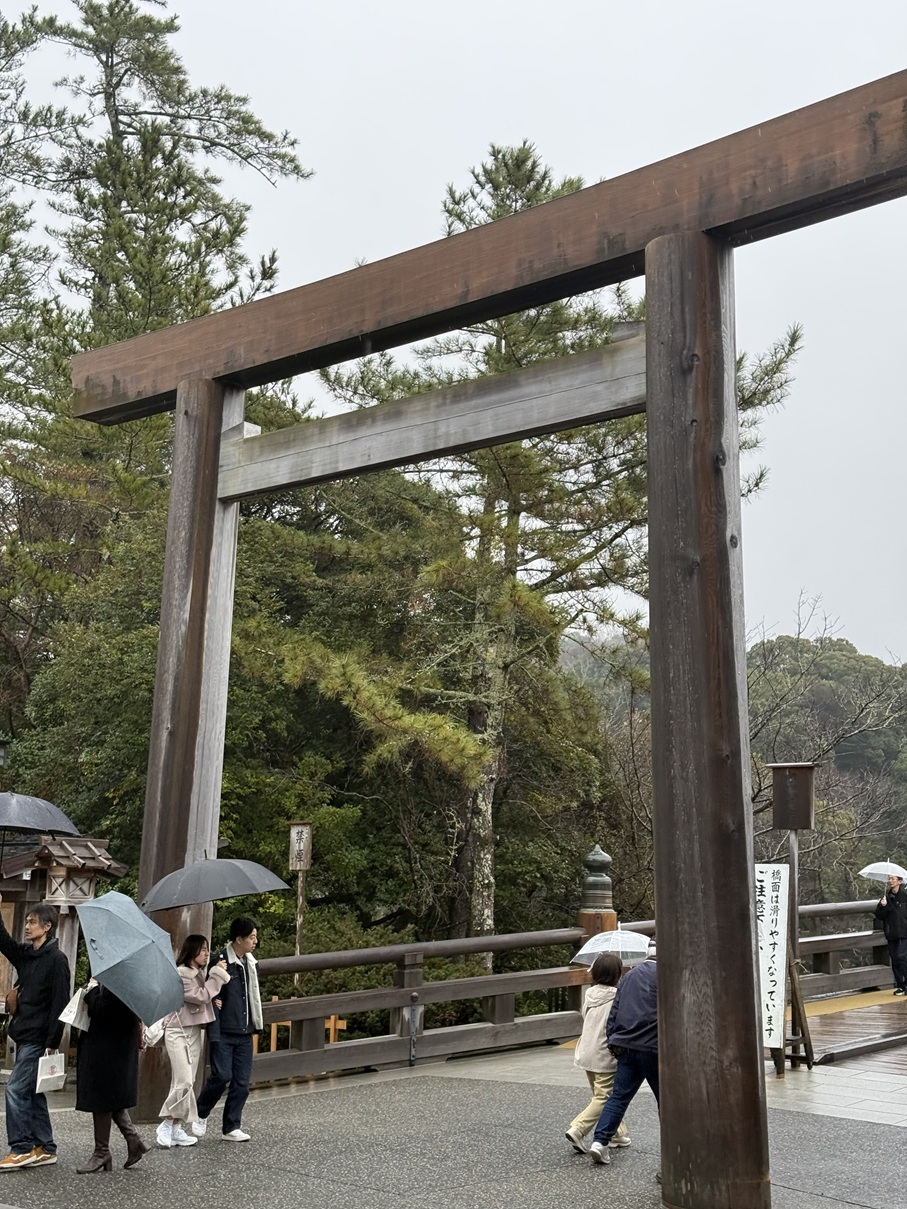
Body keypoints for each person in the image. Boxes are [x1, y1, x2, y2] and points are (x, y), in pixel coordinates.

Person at [0, 894, 71, 1170]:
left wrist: (53, 1040)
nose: (27, 926)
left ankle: (22, 1147)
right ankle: (45, 1147)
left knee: (16, 1089)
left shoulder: (57, 960)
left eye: (33, 922)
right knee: (33, 1092)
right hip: (24, 1032)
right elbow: (4, 942)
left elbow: (60, 1002)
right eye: (27, 921)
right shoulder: (27, 955)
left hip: (39, 1037)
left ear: (47, 926)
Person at [589, 939, 659, 1166]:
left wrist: (613, 1041)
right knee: (665, 1100)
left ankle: (600, 1142)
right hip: (653, 1046)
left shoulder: (629, 976)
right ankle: (671, 1149)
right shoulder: (666, 976)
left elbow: (615, 1011)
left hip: (626, 1044)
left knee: (619, 1096)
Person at [157, 934, 230, 1148]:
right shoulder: (182, 974)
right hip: (177, 1031)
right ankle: (166, 1123)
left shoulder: (198, 974)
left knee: (186, 1081)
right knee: (184, 1081)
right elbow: (201, 996)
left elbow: (204, 999)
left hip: (194, 1030)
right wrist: (217, 975)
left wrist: (212, 1000)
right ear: (192, 951)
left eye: (207, 949)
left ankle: (176, 1127)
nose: (207, 954)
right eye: (203, 949)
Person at [195, 917, 262, 1142]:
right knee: (222, 1075)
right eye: (251, 937)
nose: (255, 941)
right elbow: (210, 995)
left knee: (242, 1082)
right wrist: (216, 1010)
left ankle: (231, 1126)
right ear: (238, 939)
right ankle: (201, 1112)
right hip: (223, 1030)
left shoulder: (251, 963)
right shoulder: (220, 961)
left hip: (245, 1030)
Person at [74, 982, 148, 1172]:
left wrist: (90, 992)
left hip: (110, 1045)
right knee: (110, 1095)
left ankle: (102, 1152)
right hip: (115, 1044)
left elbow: (101, 1009)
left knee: (102, 1096)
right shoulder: (127, 978)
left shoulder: (119, 982)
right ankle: (133, 1140)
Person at [565, 952, 630, 1154]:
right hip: (604, 1055)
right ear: (617, 974)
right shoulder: (617, 997)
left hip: (586, 1051)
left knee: (601, 1095)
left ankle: (618, 1133)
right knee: (605, 1097)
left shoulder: (590, 994)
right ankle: (579, 1129)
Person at [873, 874, 907, 995]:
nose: (890, 881)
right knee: (895, 960)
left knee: (902, 957)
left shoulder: (905, 897)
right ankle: (900, 986)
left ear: (899, 881)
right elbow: (879, 915)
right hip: (891, 932)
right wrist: (883, 906)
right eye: (889, 879)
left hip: (904, 932)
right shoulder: (886, 898)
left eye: (893, 879)